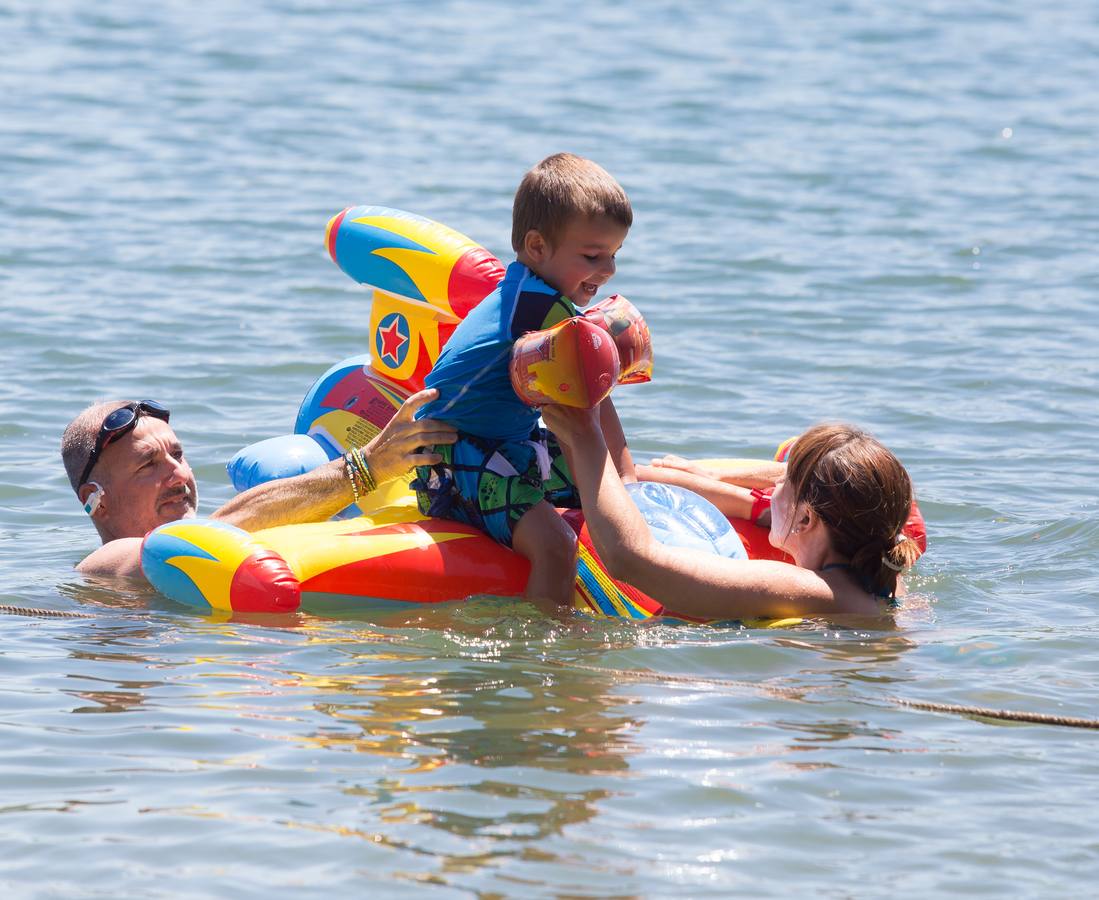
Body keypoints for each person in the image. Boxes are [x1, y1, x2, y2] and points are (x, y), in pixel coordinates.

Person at [413, 153, 637, 606]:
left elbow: (594, 406)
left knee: (608, 490)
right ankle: (547, 655)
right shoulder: (537, 310)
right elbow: (592, 404)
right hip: (453, 455)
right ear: (537, 247)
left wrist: (625, 480)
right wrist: (626, 479)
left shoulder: (537, 294)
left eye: (614, 254)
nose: (609, 270)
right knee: (557, 547)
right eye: (593, 255)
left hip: (508, 442)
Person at [542, 404, 922, 621]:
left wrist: (584, 436)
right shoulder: (885, 579)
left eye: (783, 482)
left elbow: (632, 559)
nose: (769, 488)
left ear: (806, 519)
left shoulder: (804, 589)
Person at [62, 390, 457, 580]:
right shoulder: (103, 567)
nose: (179, 474)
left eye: (178, 455)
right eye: (148, 464)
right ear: (96, 501)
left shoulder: (243, 533)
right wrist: (366, 467)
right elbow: (184, 545)